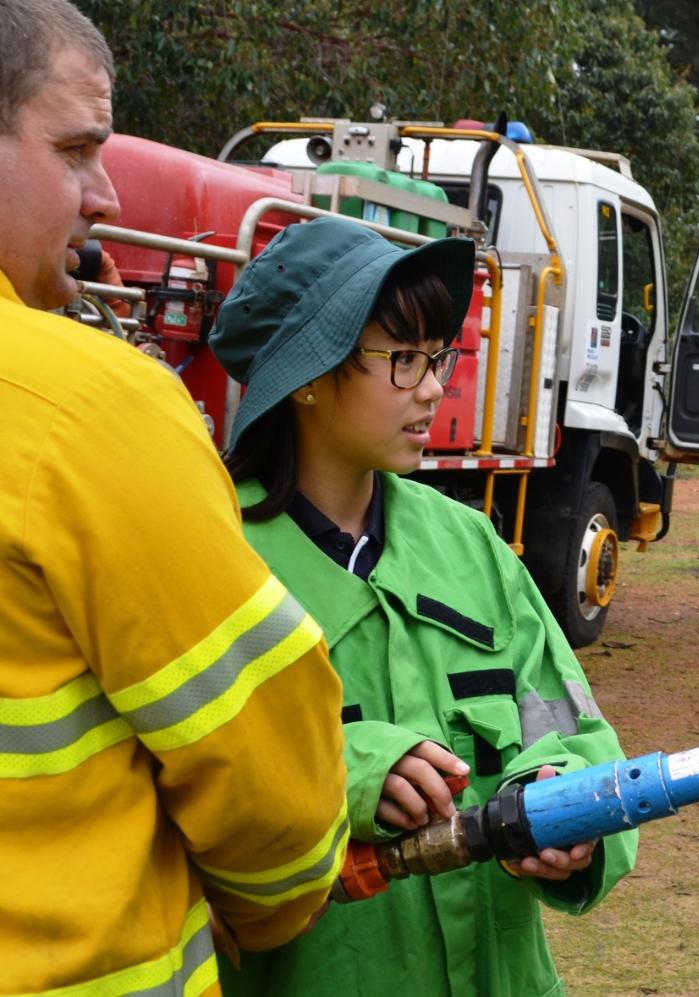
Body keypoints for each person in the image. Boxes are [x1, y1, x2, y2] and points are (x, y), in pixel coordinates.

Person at [0, 2, 350, 993]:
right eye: (75, 151)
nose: (104, 195)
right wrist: (258, 912)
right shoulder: (87, 409)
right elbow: (270, 788)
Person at [207, 216, 637, 996]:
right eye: (401, 360)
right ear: (309, 372)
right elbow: (184, 789)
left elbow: (575, 730)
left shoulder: (469, 545)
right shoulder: (212, 555)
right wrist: (341, 767)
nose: (436, 387)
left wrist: (564, 803)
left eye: (436, 357)